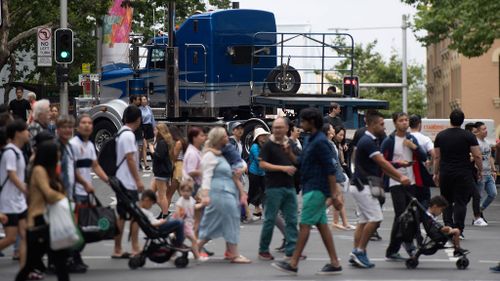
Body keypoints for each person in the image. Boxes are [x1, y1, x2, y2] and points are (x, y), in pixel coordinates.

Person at [272, 108, 343, 275]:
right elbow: (300, 162)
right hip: (311, 187)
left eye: (303, 121)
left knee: (304, 224)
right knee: (322, 226)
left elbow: (330, 168)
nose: (300, 124)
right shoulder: (311, 139)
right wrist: (289, 153)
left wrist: (334, 193)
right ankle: (334, 262)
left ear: (311, 122)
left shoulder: (320, 142)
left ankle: (294, 262)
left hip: (317, 189)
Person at [349, 110, 410, 268]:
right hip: (364, 186)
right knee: (376, 219)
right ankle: (360, 252)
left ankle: (356, 251)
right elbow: (382, 163)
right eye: (382, 124)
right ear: (372, 124)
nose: (384, 127)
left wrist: (398, 176)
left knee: (363, 221)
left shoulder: (373, 140)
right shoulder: (367, 142)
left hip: (360, 185)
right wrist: (401, 176)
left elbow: (382, 165)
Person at [15, 141, 70, 281]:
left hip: (48, 221)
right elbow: (48, 194)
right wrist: (64, 198)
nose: (59, 154)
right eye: (56, 151)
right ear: (49, 154)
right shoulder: (39, 170)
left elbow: (58, 190)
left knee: (60, 262)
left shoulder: (50, 171)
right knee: (31, 264)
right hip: (37, 222)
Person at [197, 127, 251, 264]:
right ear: (219, 139)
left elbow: (240, 163)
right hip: (220, 192)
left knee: (216, 223)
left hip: (226, 191)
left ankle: (196, 248)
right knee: (230, 220)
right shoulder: (210, 156)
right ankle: (234, 254)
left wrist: (241, 170)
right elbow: (206, 177)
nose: (228, 138)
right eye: (225, 136)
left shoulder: (222, 153)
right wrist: (205, 194)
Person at [381, 112, 428, 261]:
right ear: (395, 123)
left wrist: (413, 147)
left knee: (411, 215)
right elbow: (383, 162)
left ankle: (401, 247)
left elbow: (424, 157)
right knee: (401, 215)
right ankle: (403, 247)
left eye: (406, 120)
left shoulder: (411, 138)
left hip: (412, 182)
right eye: (401, 120)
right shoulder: (389, 141)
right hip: (396, 181)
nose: (404, 123)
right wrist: (398, 164)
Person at [433, 109, 482, 238]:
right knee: (460, 201)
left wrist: (435, 173)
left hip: (446, 172)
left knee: (446, 200)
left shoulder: (441, 135)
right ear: (462, 120)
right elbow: (477, 155)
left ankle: (448, 226)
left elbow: (437, 157)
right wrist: (480, 170)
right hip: (463, 172)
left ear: (450, 120)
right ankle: (458, 229)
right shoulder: (468, 136)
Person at [257, 118, 299, 261]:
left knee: (292, 219)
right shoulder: (268, 145)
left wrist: (289, 154)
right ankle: (263, 250)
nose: (277, 130)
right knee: (270, 219)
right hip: (273, 186)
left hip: (289, 186)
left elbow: (297, 161)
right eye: (275, 127)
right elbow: (262, 164)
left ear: (287, 128)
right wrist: (283, 168)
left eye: (280, 127)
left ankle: (292, 250)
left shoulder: (290, 143)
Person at [112, 105, 145, 259]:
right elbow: (131, 159)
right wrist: (138, 180)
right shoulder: (129, 135)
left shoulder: (121, 133)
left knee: (122, 215)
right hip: (127, 182)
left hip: (121, 179)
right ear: (138, 119)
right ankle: (134, 247)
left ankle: (118, 249)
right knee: (134, 215)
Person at [0, 120, 29, 270]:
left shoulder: (18, 151)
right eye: (25, 130)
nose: (28, 133)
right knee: (11, 238)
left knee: (25, 236)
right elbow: (12, 175)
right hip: (9, 202)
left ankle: (25, 270)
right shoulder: (10, 152)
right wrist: (25, 190)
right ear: (18, 133)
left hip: (19, 202)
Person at [326, 125, 354, 231]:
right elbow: (332, 161)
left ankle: (342, 222)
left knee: (339, 198)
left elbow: (339, 161)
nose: (333, 129)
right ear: (328, 132)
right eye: (331, 128)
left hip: (336, 173)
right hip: (334, 174)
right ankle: (334, 221)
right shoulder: (328, 144)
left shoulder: (333, 143)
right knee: (335, 198)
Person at [172, 179, 205, 260]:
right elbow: (177, 212)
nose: (185, 193)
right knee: (193, 240)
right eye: (183, 191)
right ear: (180, 191)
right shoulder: (180, 201)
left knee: (179, 241)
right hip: (184, 224)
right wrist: (181, 215)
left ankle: (172, 254)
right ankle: (197, 256)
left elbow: (194, 207)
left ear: (191, 191)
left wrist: (202, 204)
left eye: (188, 191)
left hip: (188, 224)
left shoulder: (191, 200)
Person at [409, 114, 435, 207]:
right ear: (420, 124)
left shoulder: (405, 138)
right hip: (421, 173)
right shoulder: (425, 139)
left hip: (407, 172)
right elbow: (434, 154)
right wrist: (430, 162)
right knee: (425, 198)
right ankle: (422, 218)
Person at [474, 121, 497, 223]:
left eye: (486, 129)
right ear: (478, 131)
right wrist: (478, 171)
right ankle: (478, 217)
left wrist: (494, 170)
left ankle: (479, 210)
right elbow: (475, 157)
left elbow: (490, 157)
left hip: (488, 174)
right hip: (481, 173)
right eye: (483, 129)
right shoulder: (475, 143)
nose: (486, 131)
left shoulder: (487, 143)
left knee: (493, 193)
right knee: (479, 196)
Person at [151, 123, 174, 218]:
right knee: (151, 193)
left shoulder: (162, 143)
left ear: (160, 131)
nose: (154, 132)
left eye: (155, 130)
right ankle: (165, 211)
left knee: (161, 195)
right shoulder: (164, 142)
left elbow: (159, 157)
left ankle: (165, 214)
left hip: (161, 172)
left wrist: (152, 150)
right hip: (161, 171)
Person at [247, 128, 270, 218]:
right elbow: (258, 160)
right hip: (254, 173)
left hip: (262, 173)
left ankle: (259, 211)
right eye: (262, 135)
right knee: (252, 193)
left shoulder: (263, 146)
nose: (264, 137)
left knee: (263, 192)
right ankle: (242, 211)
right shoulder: (255, 147)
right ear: (257, 137)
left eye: (265, 135)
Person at [167, 126, 188, 212]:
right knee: (181, 193)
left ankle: (164, 212)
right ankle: (188, 211)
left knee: (169, 193)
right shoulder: (182, 141)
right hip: (181, 166)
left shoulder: (178, 143)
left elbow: (174, 156)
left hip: (178, 166)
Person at [140, 95, 156, 170]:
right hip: (143, 127)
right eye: (143, 99)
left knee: (151, 145)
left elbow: (152, 118)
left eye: (145, 99)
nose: (145, 101)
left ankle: (155, 162)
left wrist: (154, 128)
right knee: (144, 146)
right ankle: (146, 164)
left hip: (149, 127)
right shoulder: (139, 109)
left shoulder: (149, 108)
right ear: (140, 101)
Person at [129, 95, 144, 169]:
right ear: (134, 100)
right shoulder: (138, 110)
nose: (139, 101)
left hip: (131, 131)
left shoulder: (127, 109)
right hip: (137, 131)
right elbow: (141, 121)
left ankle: (136, 163)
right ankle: (137, 163)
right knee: (139, 147)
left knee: (135, 148)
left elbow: (124, 120)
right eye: (138, 100)